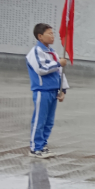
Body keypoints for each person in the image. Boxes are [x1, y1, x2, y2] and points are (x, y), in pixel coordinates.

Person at [26, 23, 69, 159]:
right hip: (42, 91)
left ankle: (43, 145)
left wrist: (63, 89)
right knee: (39, 120)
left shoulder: (53, 52)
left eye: (53, 33)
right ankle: (35, 148)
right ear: (40, 36)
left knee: (49, 121)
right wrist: (58, 63)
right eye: (49, 33)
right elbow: (41, 69)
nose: (52, 36)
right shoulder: (35, 52)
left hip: (53, 91)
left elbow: (60, 72)